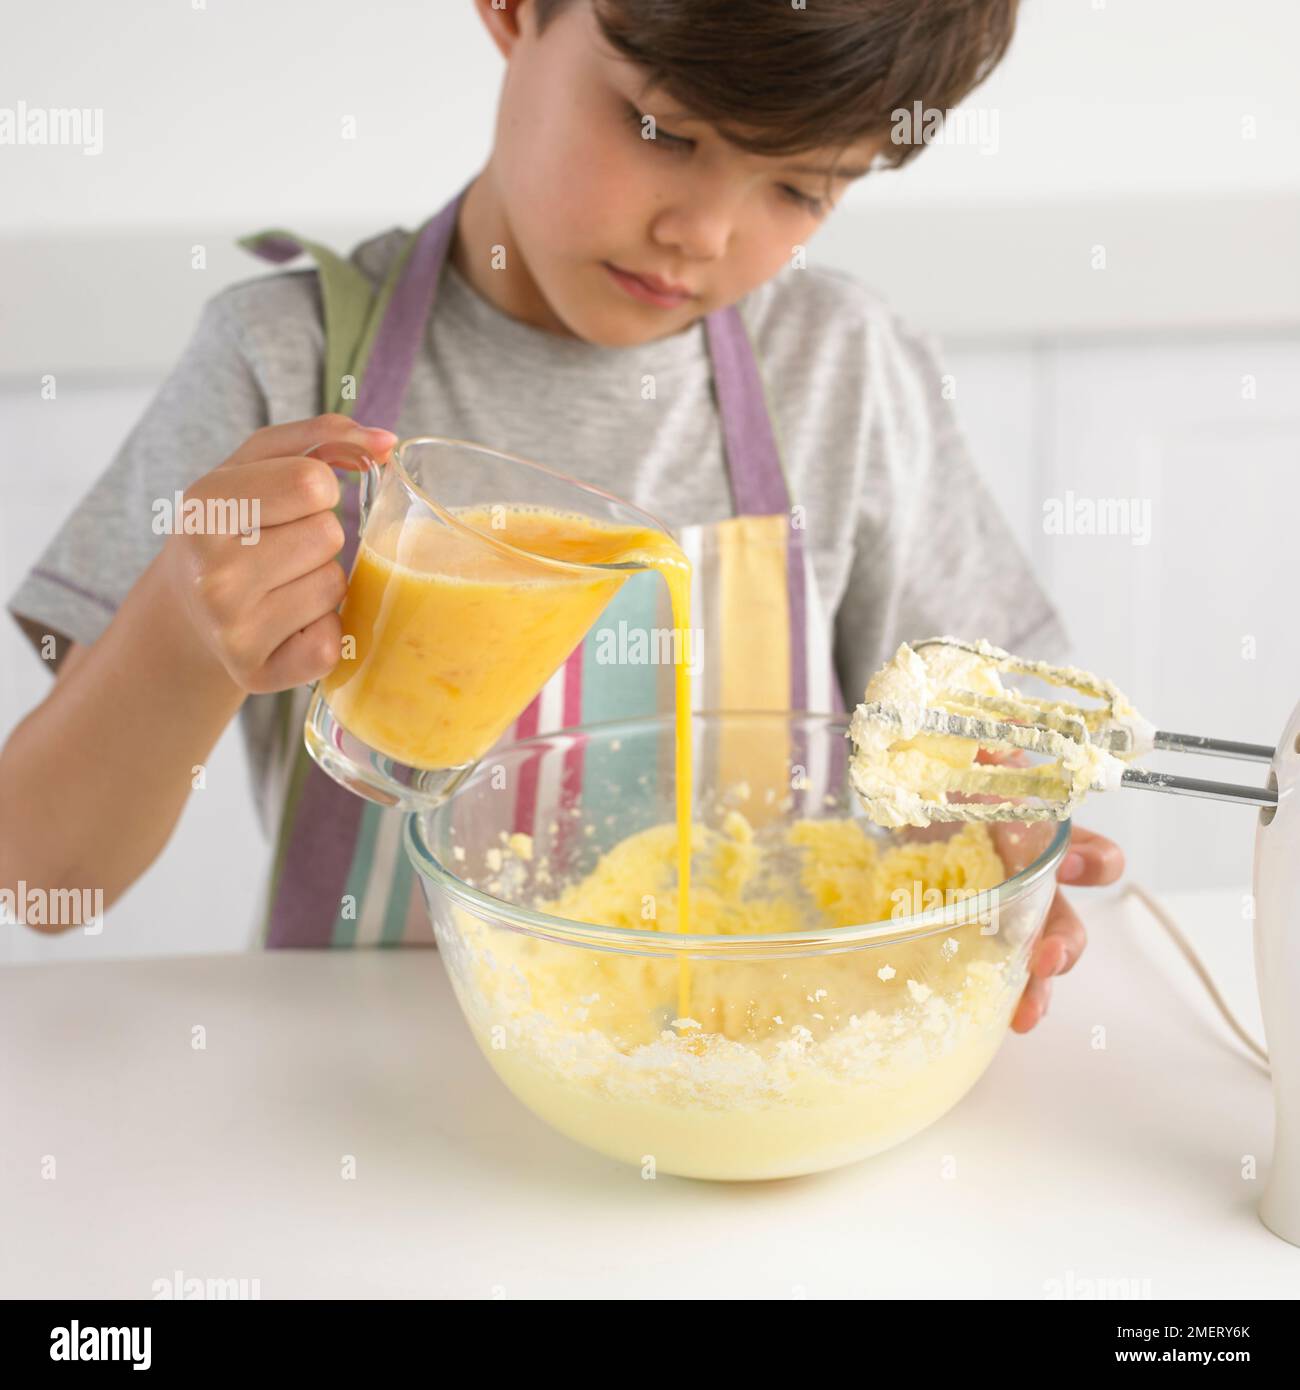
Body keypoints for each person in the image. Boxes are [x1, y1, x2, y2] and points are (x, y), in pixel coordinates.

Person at [0, 0, 1123, 1029]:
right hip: (350, 1105)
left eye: (801, 189)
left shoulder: (842, 373)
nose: (703, 231)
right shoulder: (284, 364)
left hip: (730, 1071)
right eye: (660, 132)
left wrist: (989, 862)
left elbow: (979, 746)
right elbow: (45, 872)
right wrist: (185, 628)